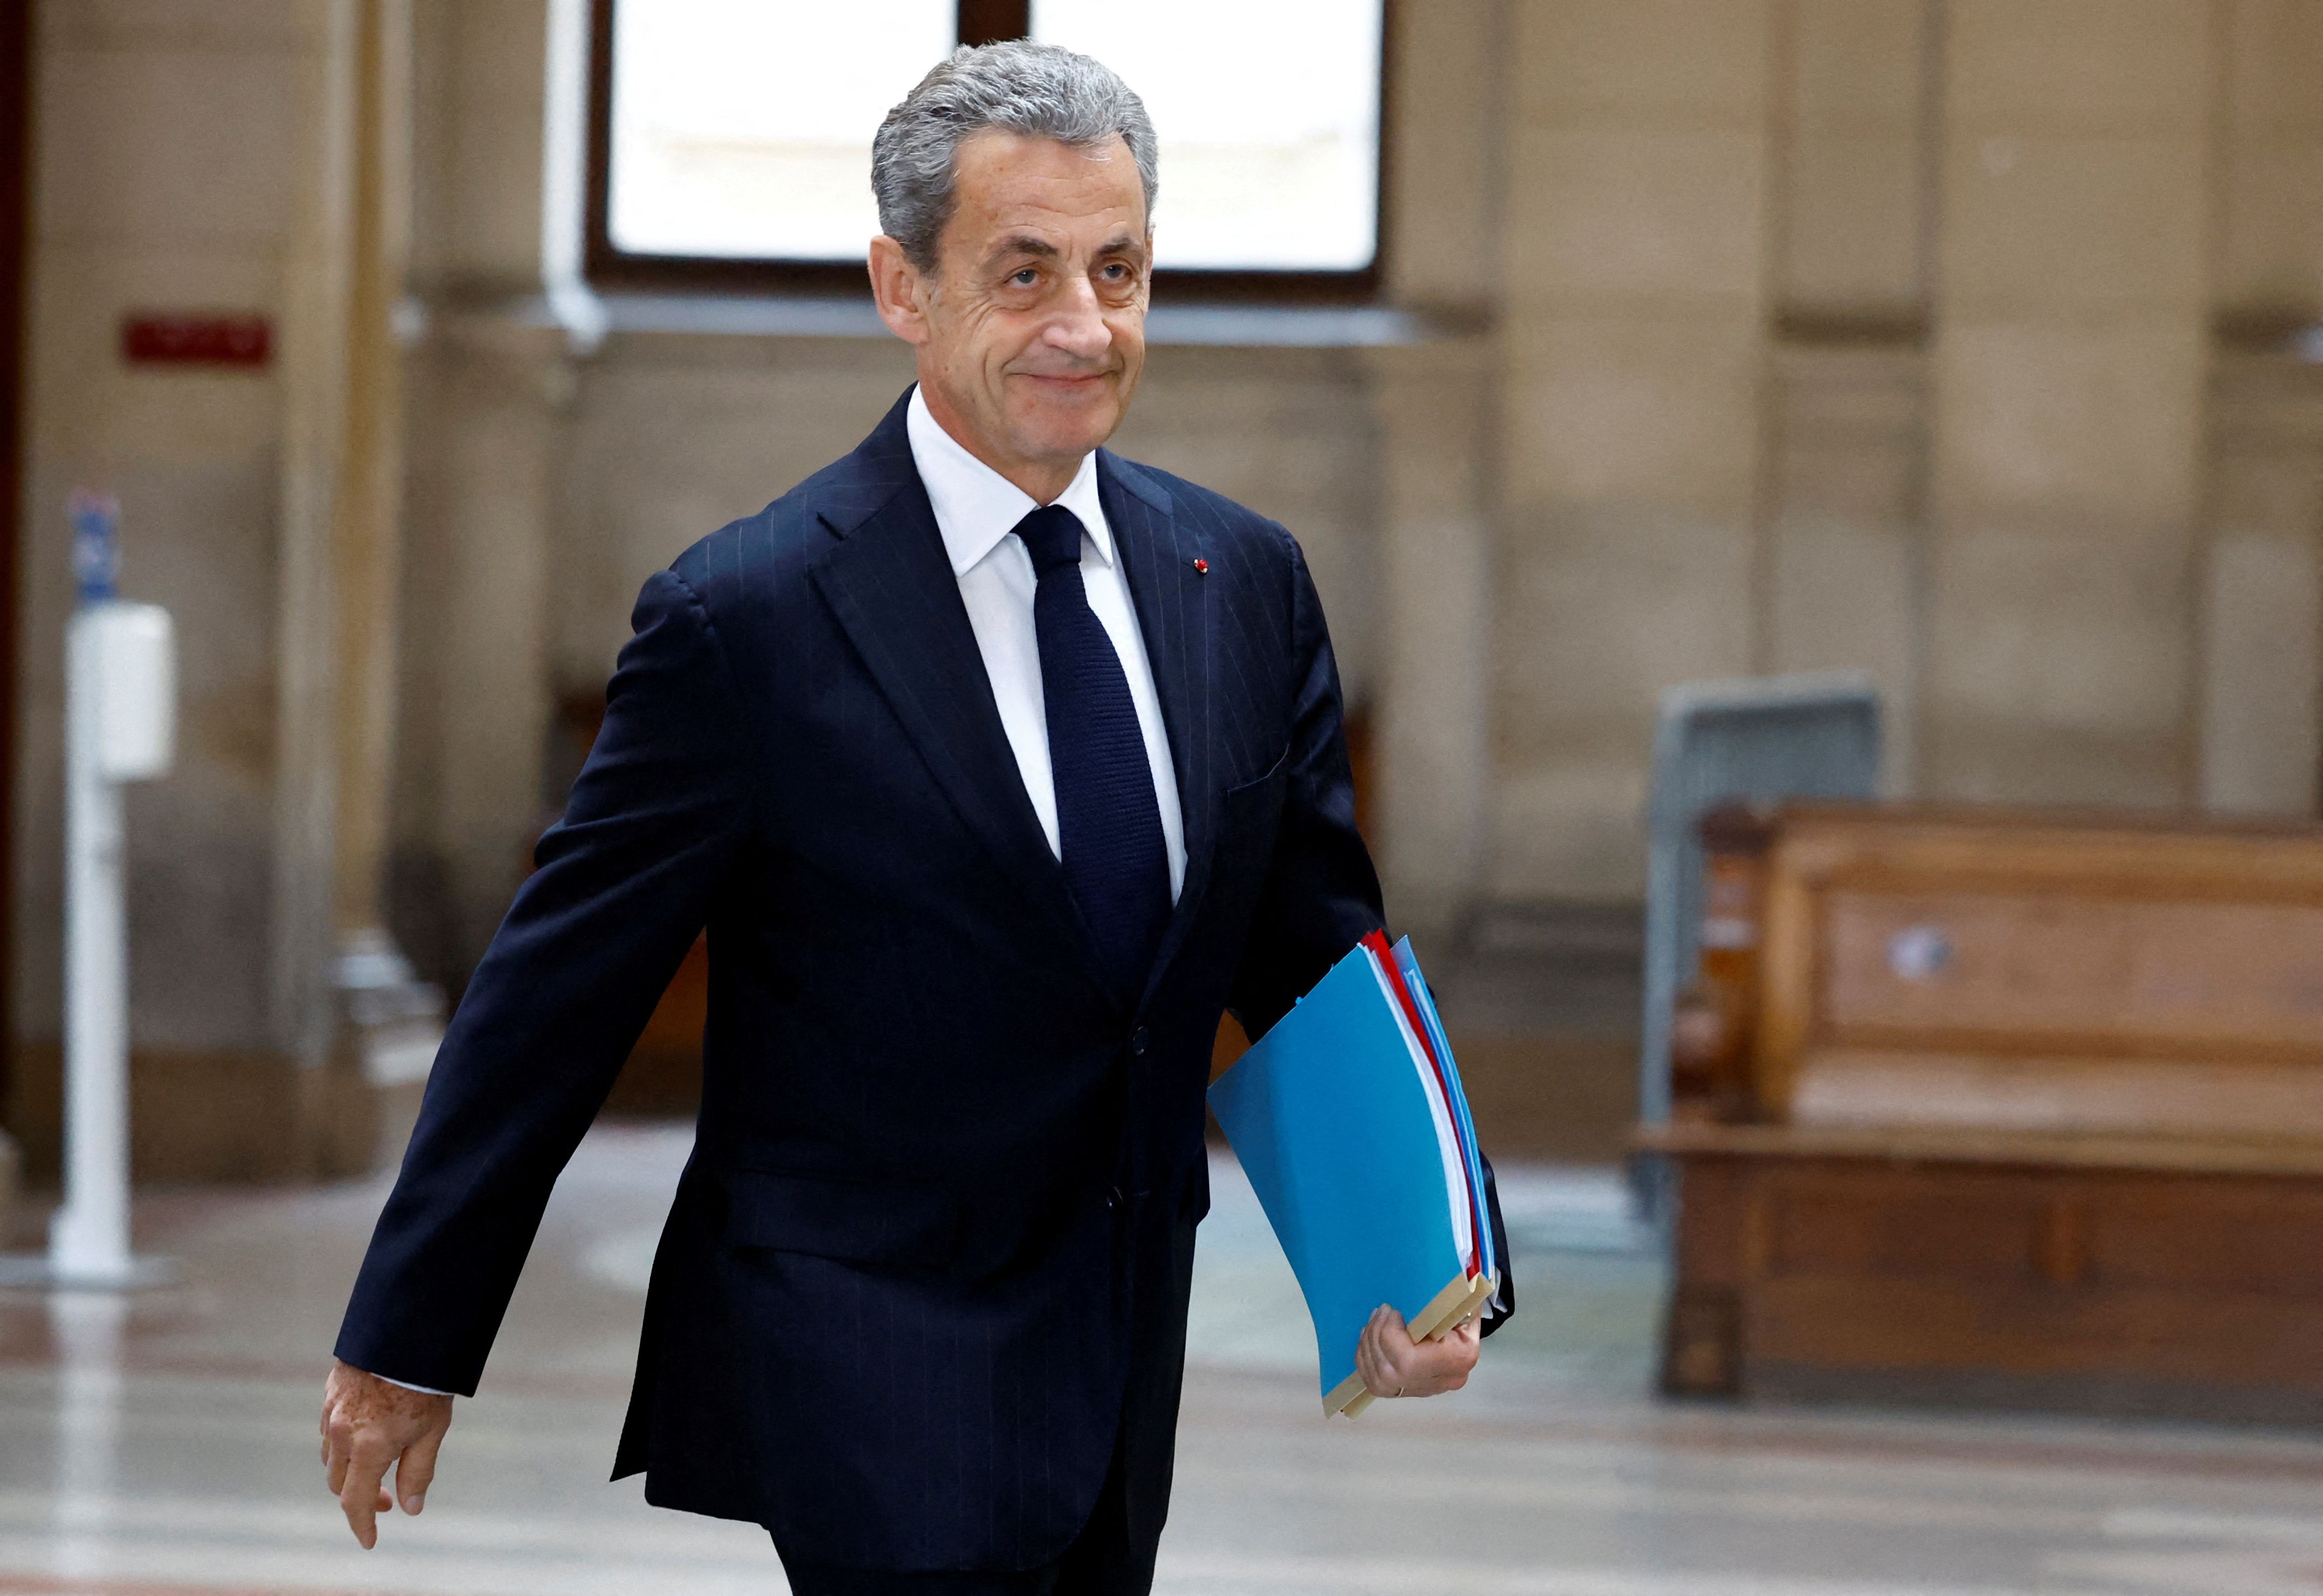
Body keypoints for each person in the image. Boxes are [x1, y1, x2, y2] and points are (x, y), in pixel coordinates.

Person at [319, 39, 1510, 1595]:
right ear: (903, 287)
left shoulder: (1246, 586)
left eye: (1119, 268)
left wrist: (1426, 1268)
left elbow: (1316, 954)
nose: (1084, 325)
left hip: (1120, 1337)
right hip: (863, 1341)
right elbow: (553, 998)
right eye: (1023, 274)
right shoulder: (744, 619)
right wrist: (411, 1332)